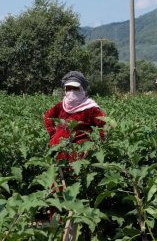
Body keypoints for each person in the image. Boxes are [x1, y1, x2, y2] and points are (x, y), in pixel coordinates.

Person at [44, 71, 108, 219]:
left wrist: (93, 146)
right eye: (68, 88)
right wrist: (53, 136)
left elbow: (105, 126)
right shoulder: (62, 106)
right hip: (59, 152)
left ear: (82, 90)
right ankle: (57, 220)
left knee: (74, 185)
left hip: (77, 155)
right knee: (57, 185)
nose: (71, 92)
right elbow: (47, 117)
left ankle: (75, 220)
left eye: (75, 88)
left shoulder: (91, 108)